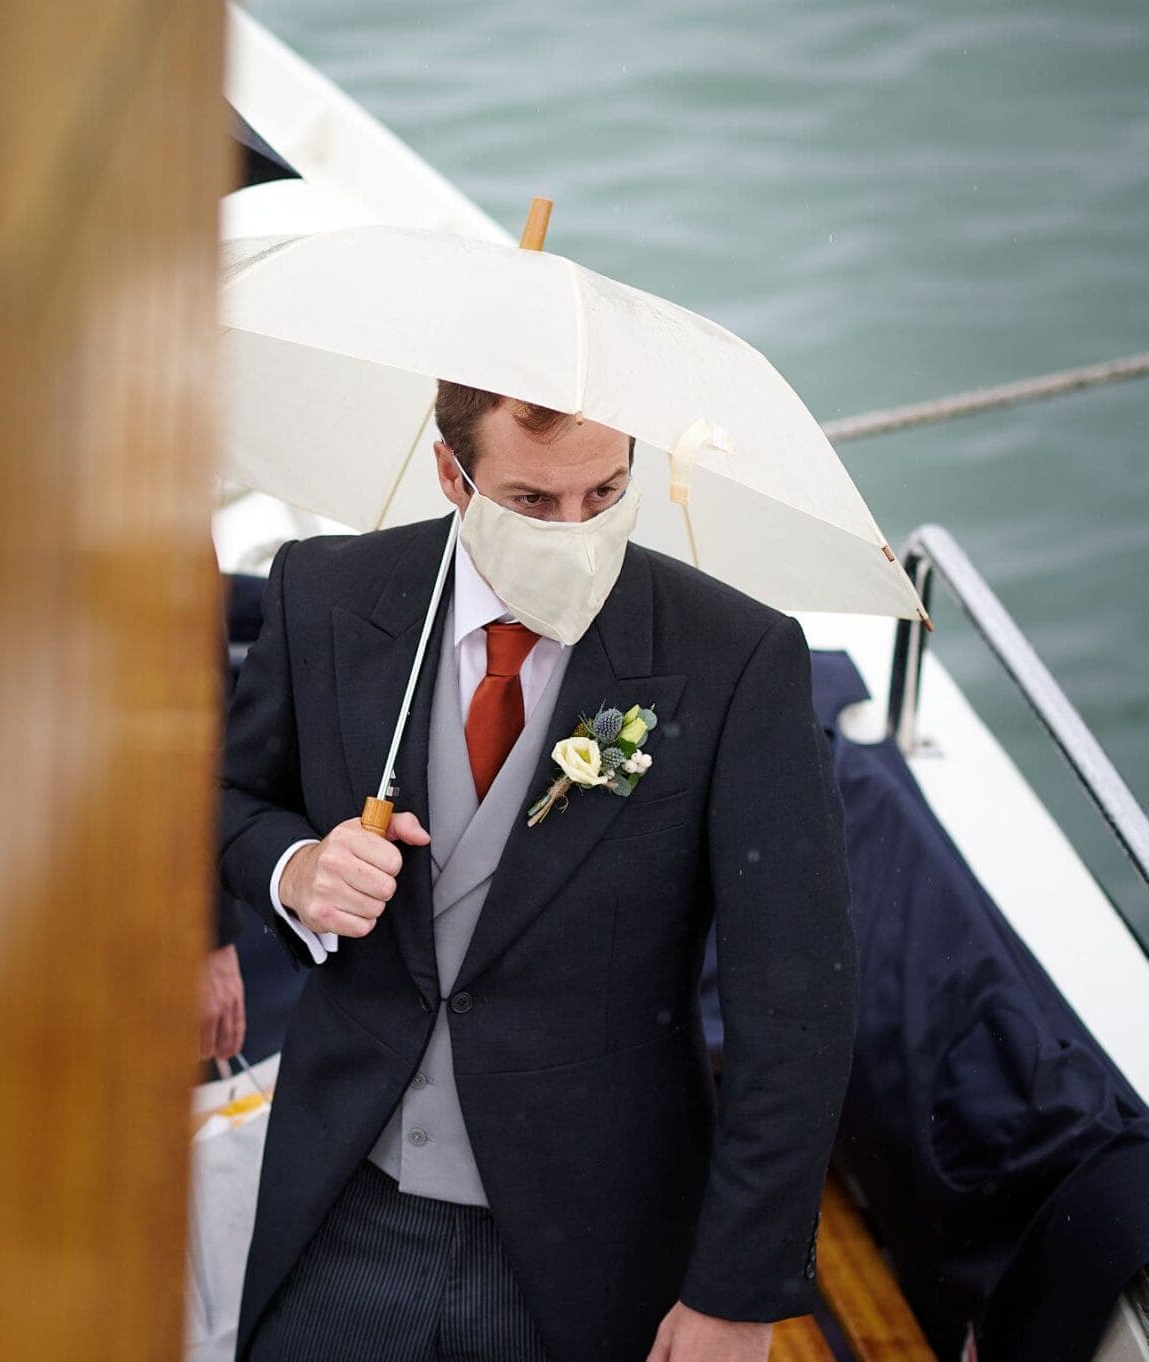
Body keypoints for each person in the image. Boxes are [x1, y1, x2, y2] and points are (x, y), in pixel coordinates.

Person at [220, 384, 858, 1362]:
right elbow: (223, 801)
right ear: (451, 472)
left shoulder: (734, 657)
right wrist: (293, 866)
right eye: (531, 501)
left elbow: (795, 1006)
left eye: (602, 492)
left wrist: (734, 1295)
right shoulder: (325, 592)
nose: (573, 529)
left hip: (591, 1238)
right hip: (340, 1202)